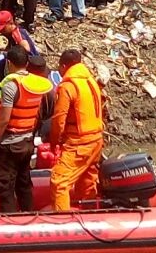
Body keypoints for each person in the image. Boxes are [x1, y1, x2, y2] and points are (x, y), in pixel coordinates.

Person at [0, 46, 53, 213]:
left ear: (9, 63)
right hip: (27, 142)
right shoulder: (36, 83)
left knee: (5, 186)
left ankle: (10, 223)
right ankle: (28, 216)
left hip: (10, 144)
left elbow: (4, 120)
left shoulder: (11, 85)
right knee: (24, 183)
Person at [48, 49, 105, 211]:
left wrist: (54, 142)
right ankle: (90, 216)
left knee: (59, 182)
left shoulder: (67, 86)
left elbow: (59, 119)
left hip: (79, 143)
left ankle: (64, 228)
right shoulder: (91, 81)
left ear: (64, 66)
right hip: (96, 141)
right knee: (87, 180)